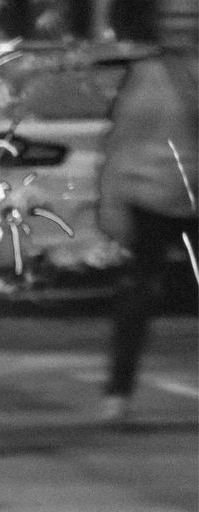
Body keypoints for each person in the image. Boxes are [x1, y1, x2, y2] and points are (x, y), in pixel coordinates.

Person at [97, 0, 199, 423]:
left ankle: (118, 394)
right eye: (174, 18)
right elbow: (120, 142)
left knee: (139, 296)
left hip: (192, 195)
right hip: (149, 199)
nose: (181, 26)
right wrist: (112, 201)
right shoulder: (145, 75)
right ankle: (118, 394)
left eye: (189, 18)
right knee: (138, 298)